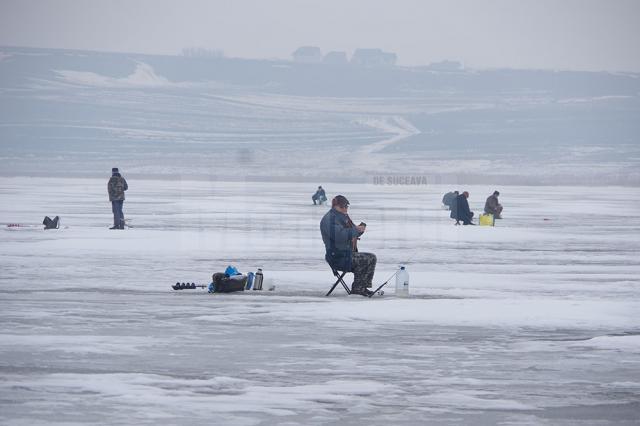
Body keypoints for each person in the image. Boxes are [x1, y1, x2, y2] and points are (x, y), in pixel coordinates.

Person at [320, 195, 377, 296]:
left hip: (346, 254)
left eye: (346, 206)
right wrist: (356, 230)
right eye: (342, 206)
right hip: (338, 257)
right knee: (365, 259)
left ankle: (362, 287)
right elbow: (340, 236)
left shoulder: (343, 217)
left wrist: (360, 230)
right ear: (335, 206)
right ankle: (358, 289)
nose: (345, 208)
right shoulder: (329, 220)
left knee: (372, 258)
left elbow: (351, 232)